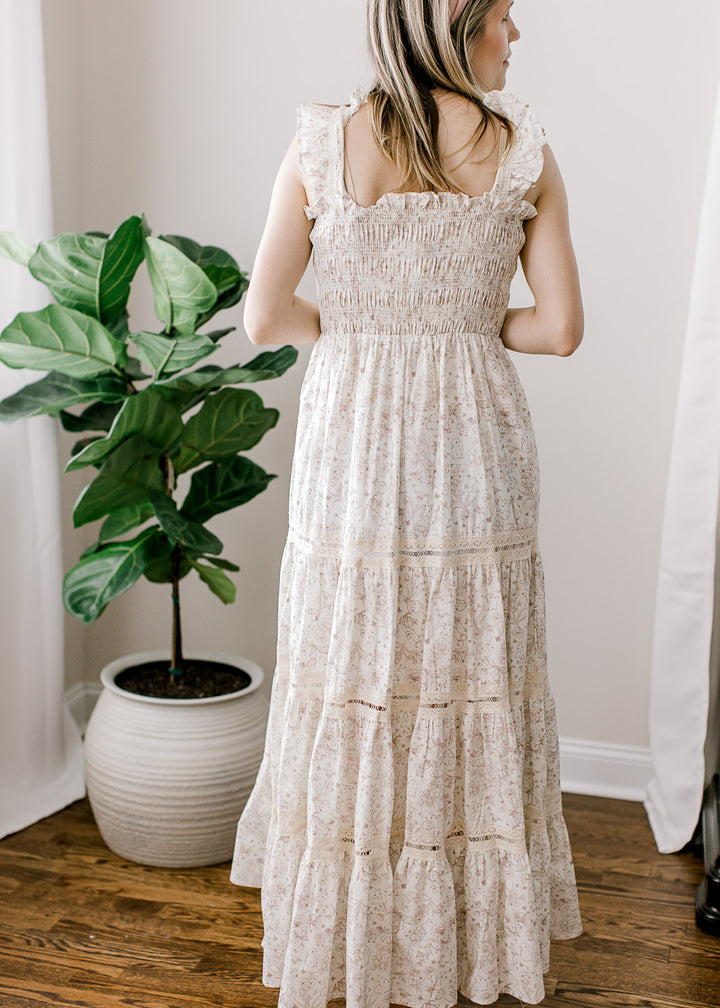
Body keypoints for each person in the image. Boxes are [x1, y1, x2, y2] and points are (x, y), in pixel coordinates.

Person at [230, 0, 584, 1005]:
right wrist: (463, 326)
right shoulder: (522, 153)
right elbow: (559, 329)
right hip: (478, 437)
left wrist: (357, 325)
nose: (516, 38)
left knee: (355, 662)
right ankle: (465, 946)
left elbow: (264, 317)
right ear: (453, 25)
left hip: (352, 436)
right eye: (504, 18)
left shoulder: (318, 142)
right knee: (468, 665)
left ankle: (351, 939)